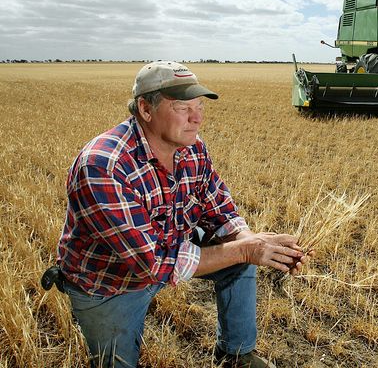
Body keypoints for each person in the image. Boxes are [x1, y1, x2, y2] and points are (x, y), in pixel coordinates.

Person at [47, 61, 311, 368]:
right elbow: (153, 264)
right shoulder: (104, 166)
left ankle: (236, 354)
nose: (197, 118)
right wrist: (246, 249)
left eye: (199, 106)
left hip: (170, 248)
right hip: (110, 282)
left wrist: (258, 245)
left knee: (241, 254)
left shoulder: (192, 148)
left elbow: (221, 212)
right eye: (183, 107)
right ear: (145, 109)